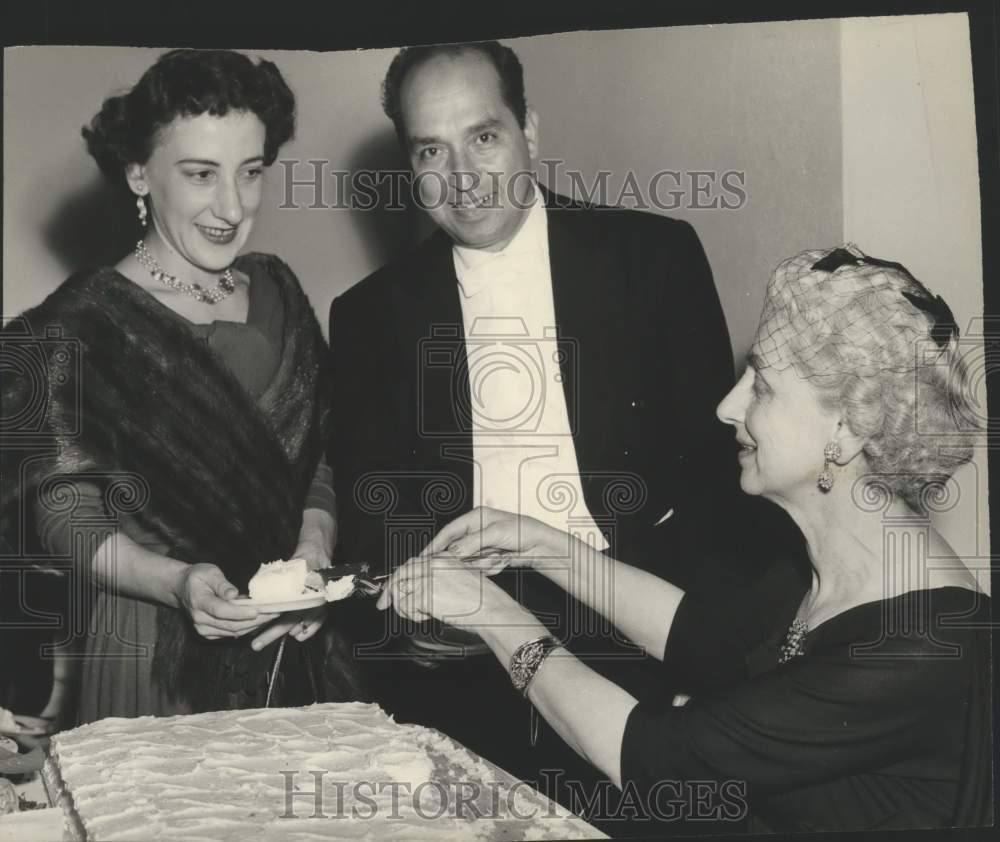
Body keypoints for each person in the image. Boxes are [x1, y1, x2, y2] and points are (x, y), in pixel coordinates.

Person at [379, 245, 992, 832]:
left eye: (763, 387)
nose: (728, 406)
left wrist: (493, 615)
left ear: (850, 429)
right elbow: (704, 637)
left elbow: (652, 760)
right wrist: (539, 545)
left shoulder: (917, 648)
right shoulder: (836, 568)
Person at [328, 40, 777, 789]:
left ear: (529, 130)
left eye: (484, 137)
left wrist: (703, 654)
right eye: (431, 151)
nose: (463, 179)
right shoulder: (367, 314)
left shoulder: (652, 257)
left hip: (637, 629)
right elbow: (374, 506)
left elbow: (716, 482)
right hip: (463, 649)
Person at [0, 49, 365, 724]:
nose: (233, 205)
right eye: (201, 174)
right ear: (138, 172)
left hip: (290, 643)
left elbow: (314, 462)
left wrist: (312, 555)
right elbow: (63, 516)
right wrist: (177, 584)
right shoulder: (74, 328)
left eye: (250, 172)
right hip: (152, 647)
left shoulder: (279, 293)